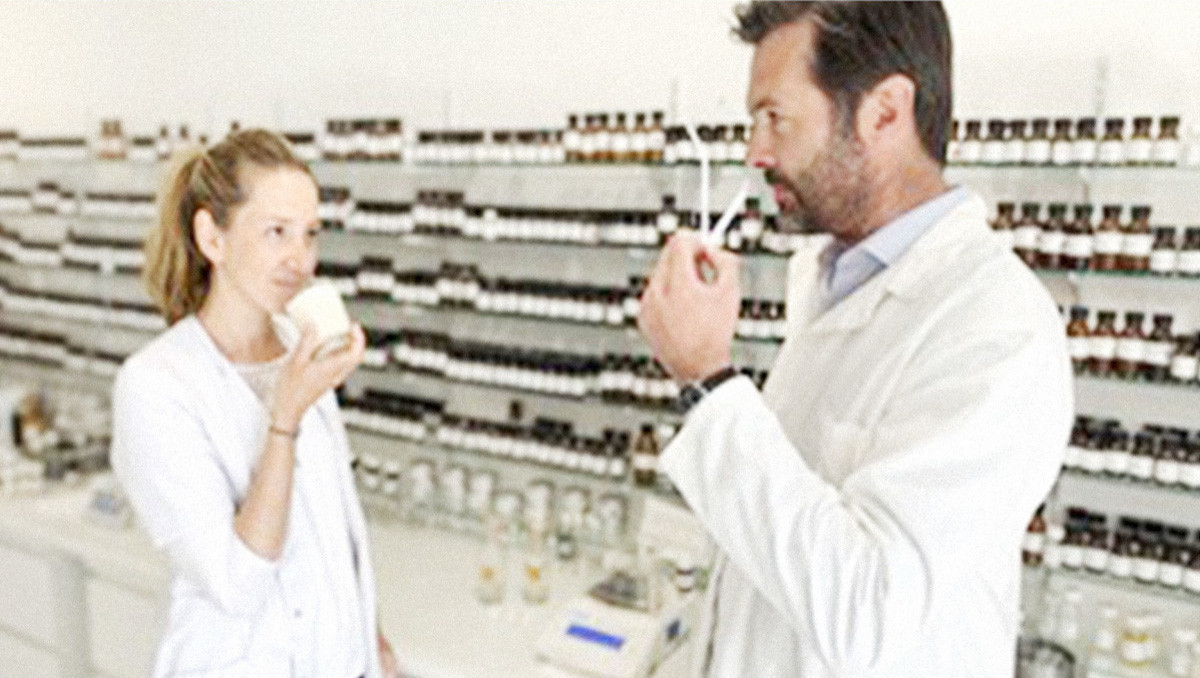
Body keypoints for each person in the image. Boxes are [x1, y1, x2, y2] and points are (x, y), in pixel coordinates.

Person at [637, 2, 1072, 676]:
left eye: (776, 117)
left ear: (885, 112)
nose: (755, 153)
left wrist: (709, 380)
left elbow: (868, 612)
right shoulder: (827, 277)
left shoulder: (997, 326)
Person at [111, 129, 399, 678]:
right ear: (212, 238)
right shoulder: (156, 386)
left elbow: (338, 528)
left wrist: (371, 640)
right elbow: (239, 582)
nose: (301, 260)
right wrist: (284, 420)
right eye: (276, 232)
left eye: (310, 234)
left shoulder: (300, 344)